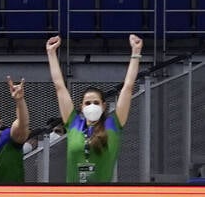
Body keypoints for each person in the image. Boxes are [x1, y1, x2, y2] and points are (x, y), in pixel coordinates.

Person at [46, 34, 142, 184]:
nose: (92, 106)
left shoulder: (114, 124)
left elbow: (128, 87)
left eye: (96, 102)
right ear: (81, 107)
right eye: (88, 102)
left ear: (104, 106)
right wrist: (51, 53)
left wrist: (136, 53)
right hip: (72, 196)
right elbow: (59, 86)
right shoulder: (73, 123)